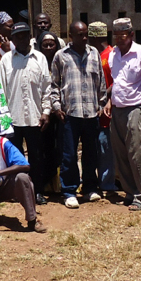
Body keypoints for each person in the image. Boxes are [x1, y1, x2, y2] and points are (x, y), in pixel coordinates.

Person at [49, 21, 105, 209]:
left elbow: (101, 81)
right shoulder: (61, 56)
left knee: (91, 153)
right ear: (70, 36)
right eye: (79, 34)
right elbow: (54, 85)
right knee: (69, 155)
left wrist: (102, 103)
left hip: (91, 113)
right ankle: (69, 191)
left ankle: (90, 188)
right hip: (70, 114)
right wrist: (57, 107)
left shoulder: (94, 53)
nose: (84, 37)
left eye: (85, 34)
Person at [0, 22, 52, 204]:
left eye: (24, 35)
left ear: (30, 36)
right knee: (15, 159)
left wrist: (46, 111)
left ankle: (37, 191)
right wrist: (5, 117)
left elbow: (46, 88)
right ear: (12, 39)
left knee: (37, 157)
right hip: (13, 119)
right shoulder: (6, 60)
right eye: (17, 36)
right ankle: (17, 191)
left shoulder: (40, 59)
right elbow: (0, 90)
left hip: (36, 118)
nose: (21, 39)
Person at [102, 18, 141, 211]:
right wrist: (109, 101)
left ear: (131, 34)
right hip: (117, 109)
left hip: (135, 108)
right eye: (115, 35)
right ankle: (130, 191)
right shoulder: (114, 54)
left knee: (136, 152)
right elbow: (117, 82)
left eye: (122, 35)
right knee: (121, 152)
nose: (118, 39)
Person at [89, 21, 118, 197]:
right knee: (98, 146)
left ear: (95, 37)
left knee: (106, 147)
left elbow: (118, 80)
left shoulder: (112, 55)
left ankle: (107, 183)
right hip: (95, 109)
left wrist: (103, 96)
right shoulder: (95, 54)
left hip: (107, 108)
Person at [35, 30, 63, 197]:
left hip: (59, 115)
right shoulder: (37, 61)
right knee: (43, 149)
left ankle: (57, 185)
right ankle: (45, 183)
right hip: (42, 114)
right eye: (44, 45)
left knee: (58, 149)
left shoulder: (61, 61)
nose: (48, 47)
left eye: (51, 44)